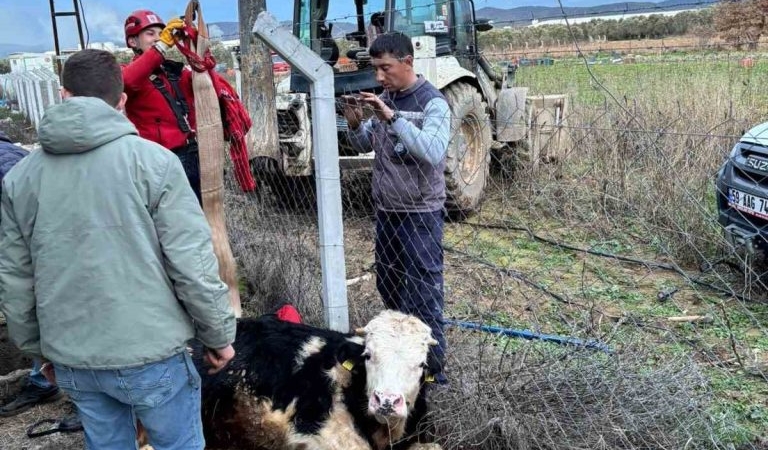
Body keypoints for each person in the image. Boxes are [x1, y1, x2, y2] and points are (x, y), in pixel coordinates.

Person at [0, 49, 236, 449]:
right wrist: (218, 335)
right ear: (122, 99)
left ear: (63, 94)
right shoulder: (156, 163)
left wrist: (39, 351)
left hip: (73, 356)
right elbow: (192, 264)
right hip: (152, 353)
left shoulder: (21, 177)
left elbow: (15, 278)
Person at [342, 32, 451, 383]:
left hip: (420, 216)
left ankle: (433, 372)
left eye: (385, 68)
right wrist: (354, 122)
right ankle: (400, 362)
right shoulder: (386, 98)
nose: (379, 76)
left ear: (407, 62)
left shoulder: (433, 103)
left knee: (423, 295)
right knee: (390, 288)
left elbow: (432, 151)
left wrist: (392, 117)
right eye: (375, 68)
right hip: (387, 213)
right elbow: (364, 143)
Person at [0, 133, 64, 417]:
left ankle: (54, 382)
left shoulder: (7, 162)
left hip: (37, 253)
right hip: (28, 250)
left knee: (44, 312)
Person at [121, 10, 204, 202]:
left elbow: (204, 81)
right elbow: (127, 82)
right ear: (133, 42)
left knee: (195, 211)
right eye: (150, 34)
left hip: (190, 155)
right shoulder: (128, 73)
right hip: (156, 160)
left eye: (162, 33)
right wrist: (161, 46)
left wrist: (194, 44)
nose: (159, 38)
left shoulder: (174, 72)